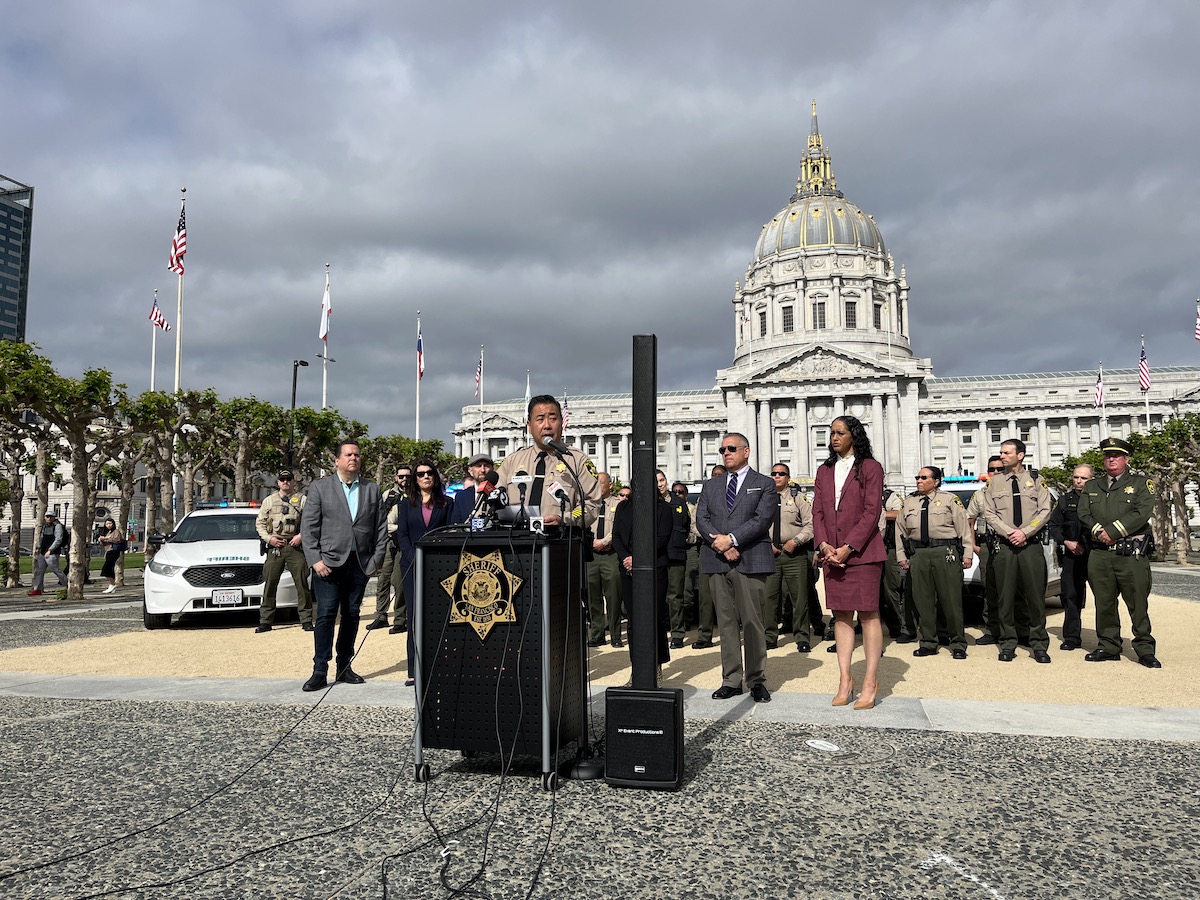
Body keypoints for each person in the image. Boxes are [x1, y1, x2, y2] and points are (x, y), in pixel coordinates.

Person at [299, 439, 389, 692]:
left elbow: (380, 529)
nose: (354, 458)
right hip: (327, 564)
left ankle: (344, 667)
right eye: (349, 454)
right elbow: (309, 529)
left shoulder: (372, 489)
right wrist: (315, 560)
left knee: (352, 615)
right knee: (326, 615)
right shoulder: (319, 488)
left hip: (359, 564)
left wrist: (375, 562)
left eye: (357, 455)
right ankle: (319, 670)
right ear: (337, 460)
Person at [812, 415, 887, 710]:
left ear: (854, 435)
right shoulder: (824, 470)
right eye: (831, 433)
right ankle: (845, 679)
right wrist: (824, 544)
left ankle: (870, 681)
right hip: (831, 554)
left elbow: (871, 512)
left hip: (863, 554)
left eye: (840, 432)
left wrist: (849, 547)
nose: (834, 437)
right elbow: (817, 511)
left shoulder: (870, 467)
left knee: (868, 615)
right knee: (841, 616)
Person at [696, 433, 777, 703]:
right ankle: (731, 679)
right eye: (722, 449)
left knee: (753, 621)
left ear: (746, 451)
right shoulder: (711, 485)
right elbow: (701, 519)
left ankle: (756, 679)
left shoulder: (764, 483)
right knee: (726, 622)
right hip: (717, 560)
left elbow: (762, 519)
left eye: (731, 448)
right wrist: (720, 544)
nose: (726, 453)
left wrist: (732, 539)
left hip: (751, 558)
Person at [1078, 437, 1160, 668]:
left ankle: (1144, 649)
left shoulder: (1142, 484)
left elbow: (1141, 512)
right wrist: (1099, 532)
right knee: (1104, 603)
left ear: (1126, 458)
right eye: (1107, 455)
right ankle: (1108, 645)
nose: (1111, 459)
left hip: (1130, 555)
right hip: (1100, 554)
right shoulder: (1092, 486)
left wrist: (1113, 531)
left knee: (1137, 603)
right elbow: (1084, 513)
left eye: (1116, 455)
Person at [981, 438, 1052, 663]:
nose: (1002, 456)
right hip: (1005, 546)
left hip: (1030, 546)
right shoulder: (994, 482)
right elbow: (989, 513)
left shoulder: (1036, 480)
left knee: (1035, 597)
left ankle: (1038, 643)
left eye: (1007, 453)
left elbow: (1045, 510)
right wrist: (1010, 532)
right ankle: (1008, 643)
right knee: (1005, 597)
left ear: (1020, 455)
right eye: (1001, 452)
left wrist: (1026, 533)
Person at [895, 466, 973, 659]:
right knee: (924, 601)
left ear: (936, 481)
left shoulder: (949, 500)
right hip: (919, 554)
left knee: (951, 600)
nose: (918, 481)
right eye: (917, 477)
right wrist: (901, 556)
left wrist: (967, 553)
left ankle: (957, 643)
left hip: (945, 552)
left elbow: (964, 528)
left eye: (923, 477)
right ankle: (929, 641)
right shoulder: (910, 502)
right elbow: (900, 530)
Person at [494, 394, 602, 528]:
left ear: (561, 423)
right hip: (516, 542)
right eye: (540, 419)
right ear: (529, 425)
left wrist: (565, 519)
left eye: (553, 419)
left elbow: (591, 504)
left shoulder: (576, 460)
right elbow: (493, 499)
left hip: (559, 541)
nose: (547, 425)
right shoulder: (512, 461)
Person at [394, 458, 452, 686]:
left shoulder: (446, 503)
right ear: (415, 480)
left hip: (438, 567)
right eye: (420, 474)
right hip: (411, 565)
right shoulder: (406, 505)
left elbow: (449, 532)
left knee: (439, 617)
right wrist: (412, 556)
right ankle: (413, 670)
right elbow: (403, 535)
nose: (426, 476)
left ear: (435, 477)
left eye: (429, 473)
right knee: (415, 617)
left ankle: (439, 666)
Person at [611, 485, 673, 683]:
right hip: (627, 568)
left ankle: (656, 666)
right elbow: (617, 536)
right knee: (633, 620)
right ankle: (637, 668)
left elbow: (661, 539)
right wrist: (626, 558)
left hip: (654, 568)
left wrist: (638, 558)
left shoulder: (664, 509)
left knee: (654, 618)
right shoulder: (623, 508)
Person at [764, 463, 816, 652]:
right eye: (773, 474)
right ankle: (769, 637)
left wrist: (795, 541)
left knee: (799, 597)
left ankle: (802, 637)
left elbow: (810, 525)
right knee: (769, 598)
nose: (776, 476)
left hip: (795, 554)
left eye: (781, 474)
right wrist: (766, 544)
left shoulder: (798, 498)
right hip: (770, 554)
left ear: (788, 477)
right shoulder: (764, 500)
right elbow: (756, 525)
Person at [254, 470, 314, 633]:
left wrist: (301, 536)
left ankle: (306, 619)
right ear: (278, 482)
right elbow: (260, 523)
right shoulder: (269, 501)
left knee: (302, 583)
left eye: (289, 479)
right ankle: (265, 621)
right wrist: (269, 539)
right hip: (276, 546)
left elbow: (311, 521)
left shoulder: (302, 500)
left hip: (295, 545)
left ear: (294, 482)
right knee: (270, 583)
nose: (286, 482)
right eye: (282, 479)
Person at [1048, 464, 1093, 651]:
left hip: (1095, 554)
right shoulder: (1065, 501)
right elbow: (1054, 525)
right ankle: (1072, 637)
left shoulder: (1099, 500)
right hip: (1072, 555)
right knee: (1071, 596)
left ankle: (1109, 639)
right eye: (1076, 477)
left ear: (1092, 480)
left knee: (1105, 597)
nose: (1079, 481)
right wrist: (1066, 541)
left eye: (1083, 478)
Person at [367, 465, 411, 633]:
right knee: (383, 580)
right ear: (395, 478)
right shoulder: (388, 495)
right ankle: (381, 616)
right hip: (387, 541)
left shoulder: (414, 496)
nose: (404, 480)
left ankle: (400, 619)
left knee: (399, 581)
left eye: (407, 476)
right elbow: (380, 519)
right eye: (401, 477)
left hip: (403, 543)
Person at [967, 456, 1006, 645]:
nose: (996, 473)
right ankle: (992, 629)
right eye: (992, 469)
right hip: (987, 546)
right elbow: (969, 520)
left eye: (1000, 469)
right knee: (989, 589)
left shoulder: (1015, 491)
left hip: (1009, 545)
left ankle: (1016, 629)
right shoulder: (980, 495)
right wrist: (973, 545)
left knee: (1013, 588)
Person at [690, 463, 726, 650]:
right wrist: (714, 539)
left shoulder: (733, 495)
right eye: (714, 475)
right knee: (705, 596)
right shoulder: (704, 496)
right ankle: (705, 635)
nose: (716, 477)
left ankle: (731, 633)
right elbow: (695, 524)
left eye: (720, 474)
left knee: (729, 595)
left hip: (730, 549)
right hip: (708, 548)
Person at [587, 472, 624, 648]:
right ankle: (597, 634)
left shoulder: (618, 504)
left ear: (610, 485)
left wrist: (604, 541)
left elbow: (618, 528)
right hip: (591, 556)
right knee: (593, 598)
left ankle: (616, 635)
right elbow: (580, 524)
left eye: (601, 483)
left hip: (610, 554)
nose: (597, 486)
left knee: (613, 597)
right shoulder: (587, 505)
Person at [658, 469, 691, 650]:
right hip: (657, 554)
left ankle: (677, 634)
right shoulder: (650, 502)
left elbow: (685, 524)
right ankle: (660, 631)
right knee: (658, 596)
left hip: (676, 553)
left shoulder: (679, 502)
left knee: (676, 596)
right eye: (656, 481)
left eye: (662, 480)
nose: (660, 484)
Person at [28, 512, 67, 596]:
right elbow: (42, 538)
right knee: (40, 571)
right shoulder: (45, 526)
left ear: (54, 517)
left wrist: (50, 550)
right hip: (43, 552)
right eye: (47, 516)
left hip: (52, 553)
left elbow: (58, 539)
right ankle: (37, 589)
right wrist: (38, 548)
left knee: (56, 570)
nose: (49, 518)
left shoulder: (57, 526)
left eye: (51, 517)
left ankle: (67, 585)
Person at [450, 453, 495, 525]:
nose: (482, 470)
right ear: (470, 471)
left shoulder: (500, 494)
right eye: (478, 466)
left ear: (492, 469)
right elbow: (455, 525)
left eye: (486, 466)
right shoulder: (461, 497)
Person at [96, 517, 125, 594]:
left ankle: (112, 584)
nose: (108, 525)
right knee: (110, 569)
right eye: (107, 524)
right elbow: (104, 544)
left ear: (113, 524)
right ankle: (112, 585)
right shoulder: (108, 532)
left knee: (106, 569)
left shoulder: (116, 531)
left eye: (110, 523)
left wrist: (106, 538)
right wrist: (101, 540)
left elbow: (117, 540)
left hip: (114, 551)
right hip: (108, 551)